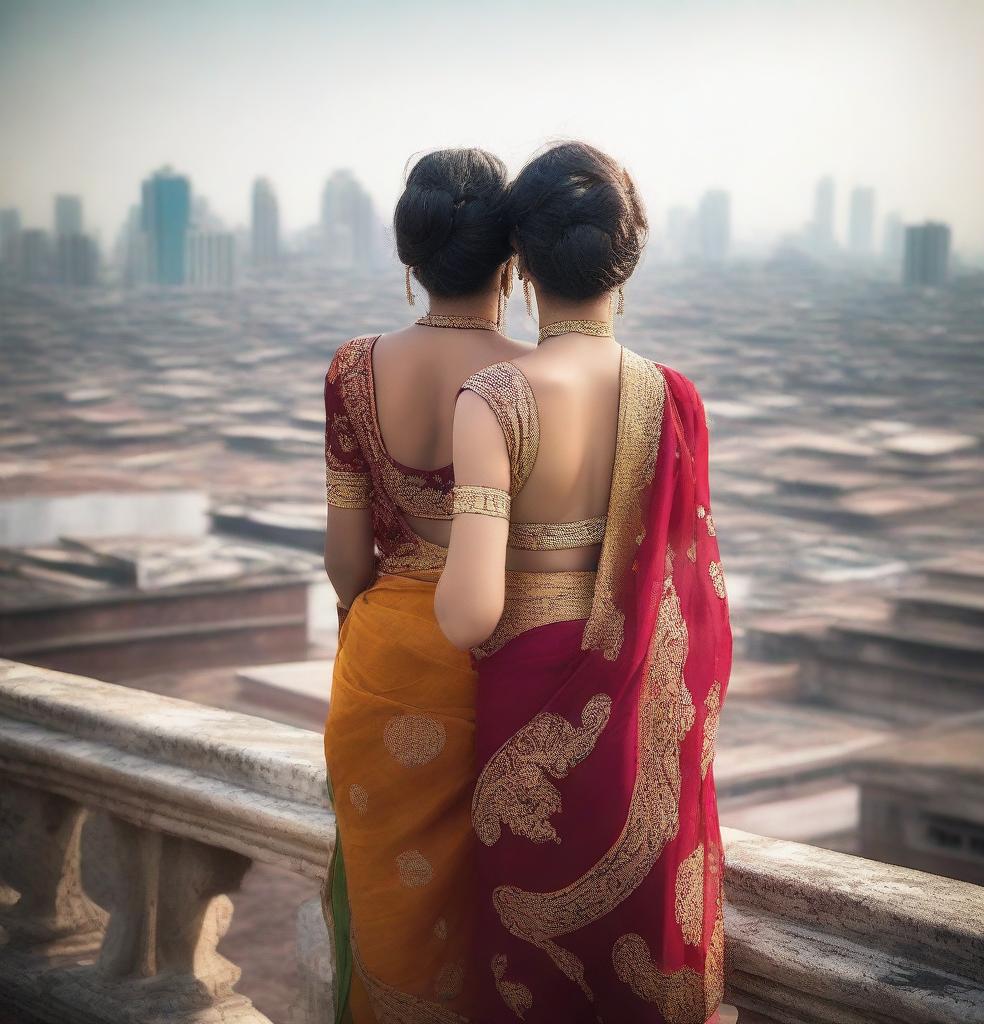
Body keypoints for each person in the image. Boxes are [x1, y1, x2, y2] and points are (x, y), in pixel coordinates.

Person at [436, 141, 732, 1024]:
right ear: (628, 256)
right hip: (646, 708)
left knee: (528, 966)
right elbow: (699, 596)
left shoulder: (493, 398)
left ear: (517, 262)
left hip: (526, 703)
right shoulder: (674, 395)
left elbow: (469, 613)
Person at [321, 148, 530, 1022]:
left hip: (385, 664)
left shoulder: (354, 369)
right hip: (508, 670)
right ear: (512, 262)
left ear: (412, 262)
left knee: (387, 921)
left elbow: (345, 560)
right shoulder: (537, 379)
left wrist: (366, 618)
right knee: (496, 928)